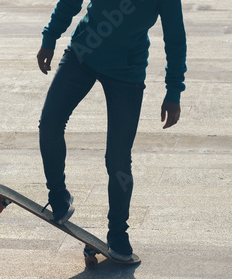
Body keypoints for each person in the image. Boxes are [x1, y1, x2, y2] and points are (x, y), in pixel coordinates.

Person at [37, 0, 187, 261]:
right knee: (49, 123)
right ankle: (58, 194)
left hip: (126, 72)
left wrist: (173, 91)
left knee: (118, 158)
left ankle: (118, 232)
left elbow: (175, 36)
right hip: (82, 54)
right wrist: (50, 36)